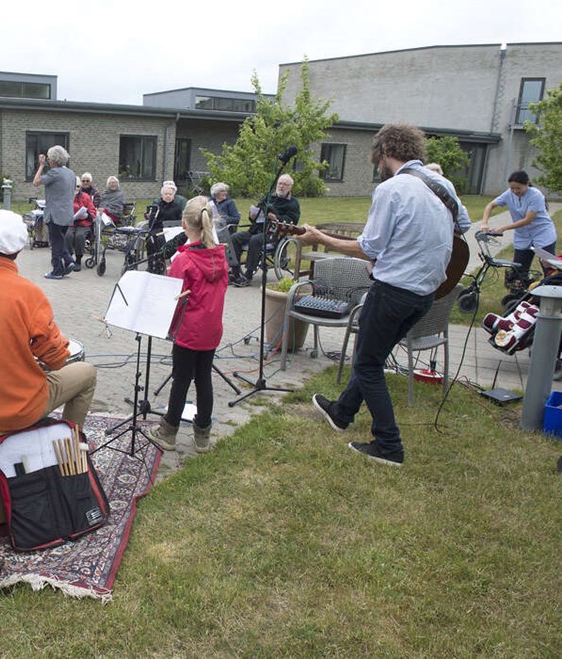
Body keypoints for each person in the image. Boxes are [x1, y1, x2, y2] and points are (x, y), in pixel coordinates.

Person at [303, 123, 471, 467]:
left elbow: (370, 247)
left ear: (384, 153)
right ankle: (341, 412)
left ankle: (389, 445)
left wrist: (322, 237)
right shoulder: (442, 184)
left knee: (366, 363)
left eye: (376, 159)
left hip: (394, 290)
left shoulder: (392, 189)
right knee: (374, 357)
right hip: (426, 293)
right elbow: (463, 225)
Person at [0, 209, 98, 432]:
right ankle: (69, 445)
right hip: (17, 411)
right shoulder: (29, 294)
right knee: (87, 372)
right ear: (19, 249)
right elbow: (56, 360)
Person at [148, 197, 229, 453]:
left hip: (188, 331)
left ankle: (169, 430)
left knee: (181, 380)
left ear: (184, 224)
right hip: (211, 329)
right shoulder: (221, 256)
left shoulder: (183, 261)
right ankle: (203, 435)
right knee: (204, 378)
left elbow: (173, 301)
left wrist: (165, 326)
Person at [478, 170, 557, 285]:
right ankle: (518, 295)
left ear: (527, 184)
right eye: (512, 188)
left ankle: (552, 293)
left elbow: (527, 220)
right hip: (523, 236)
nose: (515, 191)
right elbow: (491, 205)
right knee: (518, 269)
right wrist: (484, 222)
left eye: (518, 188)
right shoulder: (509, 194)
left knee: (548, 267)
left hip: (542, 234)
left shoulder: (536, 195)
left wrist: (503, 228)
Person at [229, 174, 301, 287]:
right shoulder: (269, 197)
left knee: (255, 240)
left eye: (285, 184)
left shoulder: (293, 203)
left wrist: (277, 218)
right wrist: (253, 216)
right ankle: (235, 271)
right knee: (234, 237)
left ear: (290, 187)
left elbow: (293, 220)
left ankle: (248, 274)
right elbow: (258, 211)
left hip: (274, 233)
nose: (281, 186)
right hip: (257, 229)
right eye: (280, 183)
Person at [33, 145, 77, 280]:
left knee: (56, 242)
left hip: (55, 213)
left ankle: (57, 270)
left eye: (49, 158)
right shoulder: (71, 173)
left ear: (52, 159)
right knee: (60, 240)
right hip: (68, 212)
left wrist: (41, 166)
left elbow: (36, 182)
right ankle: (68, 262)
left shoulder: (54, 173)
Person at [146, 181, 185, 274]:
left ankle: (161, 262)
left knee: (161, 240)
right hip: (158, 228)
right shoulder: (157, 205)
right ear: (162, 195)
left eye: (170, 194)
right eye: (166, 194)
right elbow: (152, 221)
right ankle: (151, 263)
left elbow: (180, 221)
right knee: (150, 241)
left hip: (172, 229)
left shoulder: (178, 206)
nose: (168, 196)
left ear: (173, 195)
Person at [66, 176, 98, 269]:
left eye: (77, 186)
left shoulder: (86, 196)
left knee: (79, 236)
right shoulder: (67, 196)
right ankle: (69, 258)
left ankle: (78, 259)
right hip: (70, 222)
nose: (76, 189)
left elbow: (92, 211)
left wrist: (87, 216)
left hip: (83, 223)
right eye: (74, 186)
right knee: (68, 235)